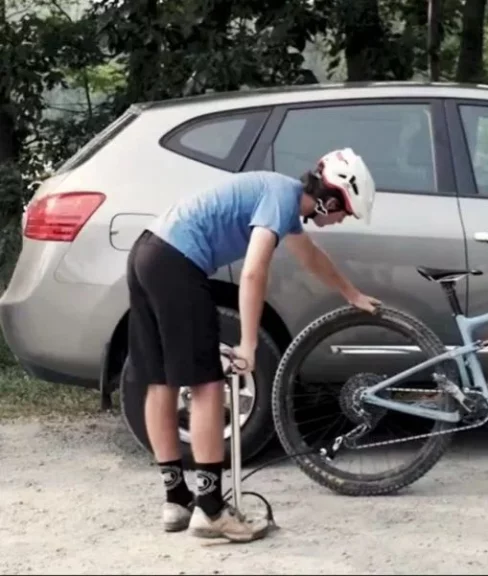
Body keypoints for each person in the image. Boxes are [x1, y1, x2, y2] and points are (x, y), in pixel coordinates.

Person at [125, 148, 381, 543]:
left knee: (161, 382)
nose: (341, 219)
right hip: (178, 263)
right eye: (345, 211)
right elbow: (254, 271)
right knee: (207, 384)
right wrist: (247, 344)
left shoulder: (280, 195)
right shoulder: (280, 198)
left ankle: (177, 499)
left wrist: (350, 294)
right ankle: (210, 510)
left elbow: (309, 256)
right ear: (330, 199)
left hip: (148, 253)